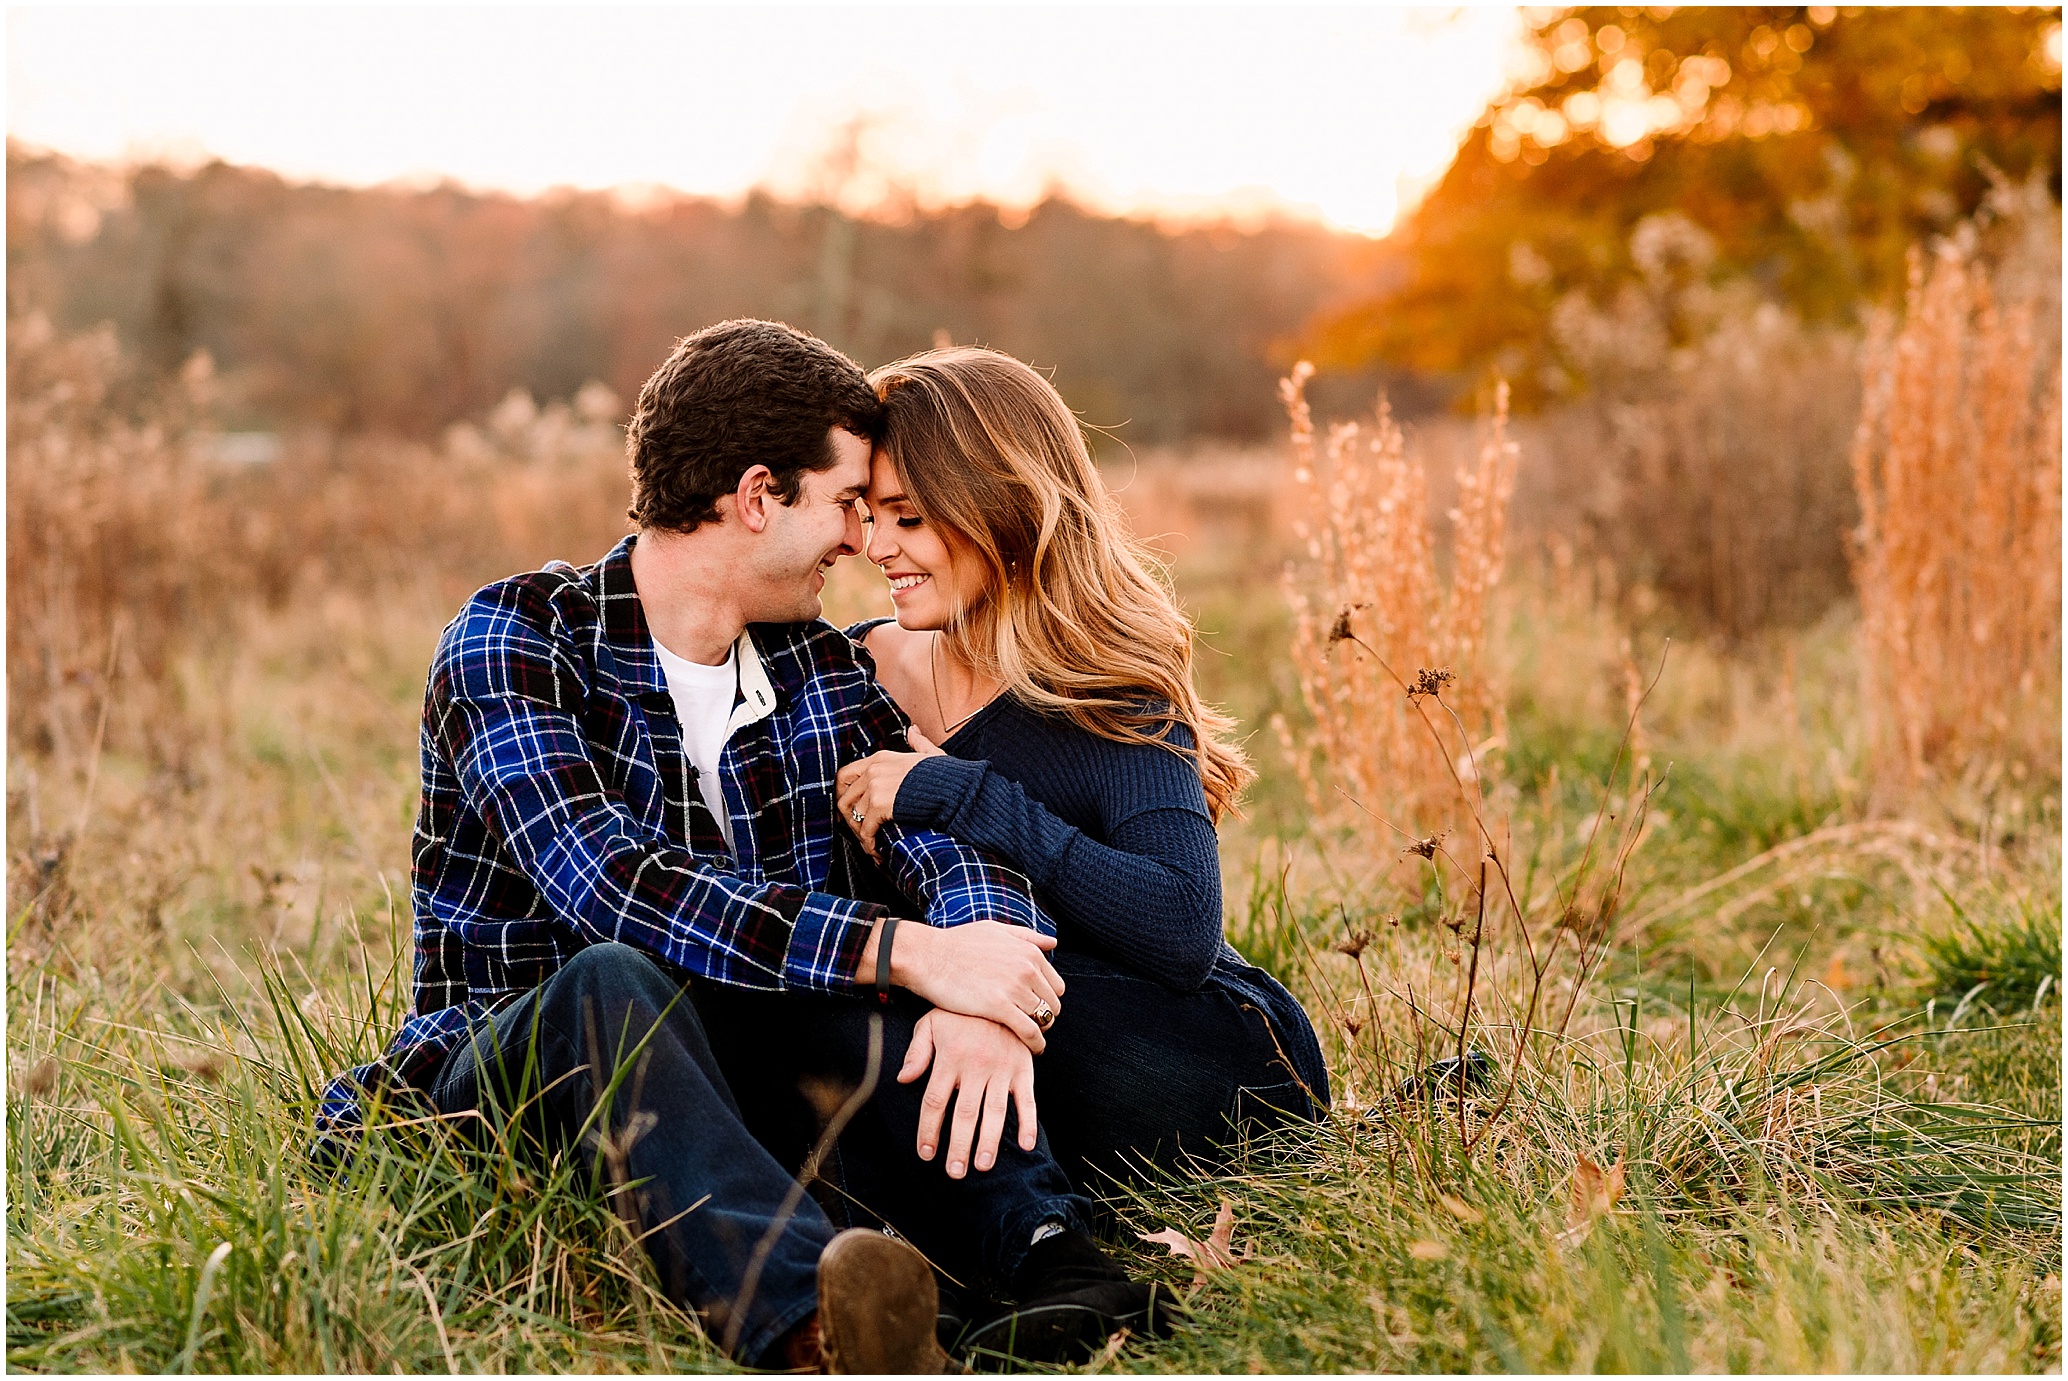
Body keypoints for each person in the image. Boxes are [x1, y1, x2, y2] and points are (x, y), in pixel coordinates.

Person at [315, 321, 1180, 1370]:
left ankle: (1053, 1268)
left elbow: (934, 842)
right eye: (847, 503)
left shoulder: (811, 666)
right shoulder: (519, 640)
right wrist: (907, 950)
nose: (861, 540)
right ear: (761, 495)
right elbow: (609, 881)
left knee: (896, 989)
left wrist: (982, 967)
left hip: (736, 1083)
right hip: (527, 1076)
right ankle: (819, 1328)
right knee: (618, 983)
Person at [835, 346, 1331, 1192]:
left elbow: (1181, 929)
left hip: (1195, 1046)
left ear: (1000, 506)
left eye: (907, 516)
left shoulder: (1110, 689)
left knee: (956, 1003)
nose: (876, 545)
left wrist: (961, 793)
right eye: (866, 514)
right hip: (987, 1013)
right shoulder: (855, 674)